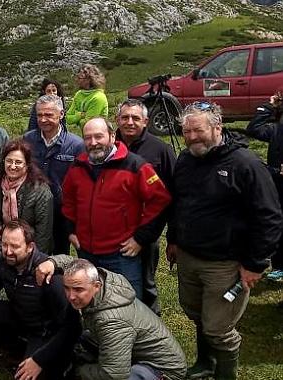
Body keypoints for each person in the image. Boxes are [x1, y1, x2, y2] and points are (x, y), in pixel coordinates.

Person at [168, 102, 282, 380]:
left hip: (226, 263)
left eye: (198, 130)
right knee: (195, 313)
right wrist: (173, 239)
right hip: (189, 256)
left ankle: (225, 374)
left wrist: (254, 264)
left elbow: (270, 216)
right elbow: (178, 204)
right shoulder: (185, 159)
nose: (192, 137)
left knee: (218, 328)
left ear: (217, 127)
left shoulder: (246, 164)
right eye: (187, 131)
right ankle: (205, 363)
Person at [62, 118, 171, 300]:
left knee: (128, 303)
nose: (93, 142)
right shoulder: (77, 167)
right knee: (91, 301)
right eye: (88, 138)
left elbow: (160, 200)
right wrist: (70, 230)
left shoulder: (136, 165)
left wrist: (141, 237)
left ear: (112, 136)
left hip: (121, 254)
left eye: (99, 136)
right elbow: (68, 201)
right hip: (86, 252)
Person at [39, 257, 187, 380]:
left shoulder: (111, 321)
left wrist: (78, 371)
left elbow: (113, 374)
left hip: (163, 370)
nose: (70, 296)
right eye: (66, 288)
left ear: (96, 286)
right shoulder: (102, 279)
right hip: (133, 354)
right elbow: (74, 263)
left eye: (78, 290)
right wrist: (51, 262)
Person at [0, 220, 80, 380]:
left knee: (27, 376)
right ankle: (16, 351)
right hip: (20, 317)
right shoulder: (2, 263)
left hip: (45, 332)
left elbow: (71, 327)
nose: (8, 251)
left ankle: (56, 363)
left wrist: (40, 359)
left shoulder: (49, 275)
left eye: (15, 247)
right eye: (4, 245)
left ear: (30, 247)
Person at [115, 99, 176, 315]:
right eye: (125, 117)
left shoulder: (161, 150)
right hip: (112, 231)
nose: (129, 122)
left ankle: (152, 329)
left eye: (135, 118)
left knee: (146, 282)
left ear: (146, 121)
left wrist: (169, 238)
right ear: (117, 120)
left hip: (146, 232)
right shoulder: (107, 147)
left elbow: (171, 198)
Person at [23, 94, 84, 256]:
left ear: (61, 114)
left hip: (61, 213)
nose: (43, 120)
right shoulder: (28, 139)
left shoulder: (76, 145)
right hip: (32, 211)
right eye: (40, 115)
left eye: (49, 115)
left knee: (58, 256)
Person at [0, 139, 53, 254]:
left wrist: (36, 259)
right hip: (3, 246)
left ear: (27, 165)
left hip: (28, 249)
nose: (13, 166)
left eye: (18, 162)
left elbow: (43, 232)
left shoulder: (40, 190)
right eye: (9, 161)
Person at [245, 92, 283, 282]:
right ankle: (279, 265)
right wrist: (269, 107)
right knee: (277, 222)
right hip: (277, 186)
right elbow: (253, 129)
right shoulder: (277, 130)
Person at [65, 64, 108, 129]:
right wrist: (81, 115)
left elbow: (87, 124)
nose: (76, 80)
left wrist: (76, 116)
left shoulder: (98, 97)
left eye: (79, 78)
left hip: (98, 134)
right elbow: (68, 118)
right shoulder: (79, 94)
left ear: (89, 79)